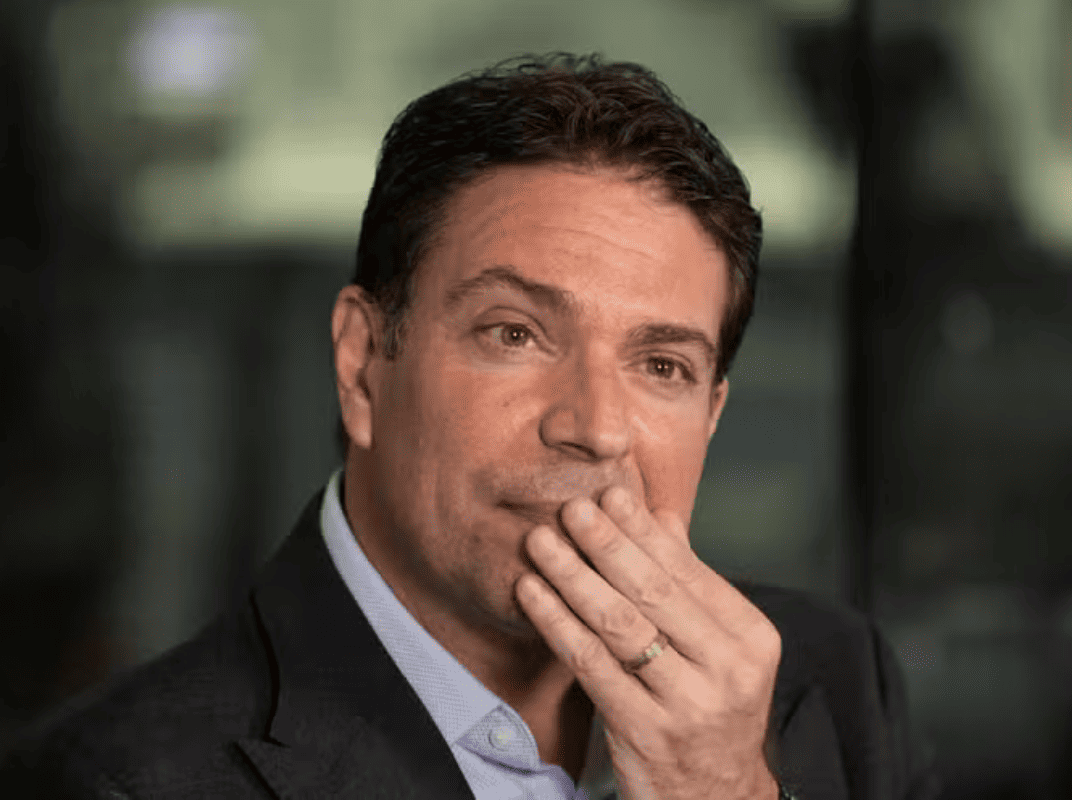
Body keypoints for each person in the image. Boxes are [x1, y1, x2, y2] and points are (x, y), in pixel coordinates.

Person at [0, 53, 939, 800]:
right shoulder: (116, 781)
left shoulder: (838, 684)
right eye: (514, 334)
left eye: (662, 366)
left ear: (713, 416)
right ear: (362, 364)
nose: (595, 428)